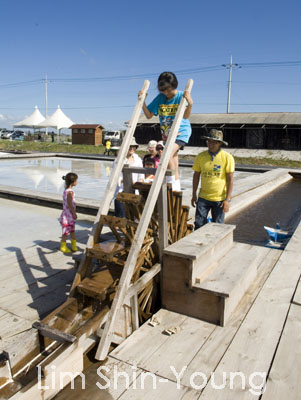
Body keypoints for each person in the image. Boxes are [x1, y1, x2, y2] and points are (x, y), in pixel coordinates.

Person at [139, 71, 193, 191]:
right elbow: (148, 115)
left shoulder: (180, 96)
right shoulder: (160, 98)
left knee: (166, 154)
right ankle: (176, 186)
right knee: (173, 159)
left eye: (168, 90)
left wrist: (190, 104)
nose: (166, 93)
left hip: (180, 132)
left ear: (174, 86)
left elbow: (185, 116)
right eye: (163, 90)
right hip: (167, 135)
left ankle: (171, 183)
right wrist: (142, 101)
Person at [191, 129, 235, 230]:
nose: (210, 144)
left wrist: (227, 200)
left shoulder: (227, 157)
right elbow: (196, 176)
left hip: (219, 200)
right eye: (209, 141)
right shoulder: (201, 157)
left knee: (218, 227)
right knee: (198, 224)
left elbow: (230, 180)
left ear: (219, 143)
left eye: (214, 142)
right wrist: (194, 194)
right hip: (203, 198)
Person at [114, 137, 144, 218]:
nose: (131, 148)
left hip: (135, 190)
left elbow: (141, 174)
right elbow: (115, 176)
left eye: (133, 146)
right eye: (129, 146)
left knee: (133, 215)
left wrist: (140, 181)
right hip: (122, 191)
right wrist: (127, 181)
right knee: (121, 216)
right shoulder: (119, 160)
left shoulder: (138, 159)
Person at [59, 172, 78, 253]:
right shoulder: (70, 192)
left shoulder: (66, 190)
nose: (77, 182)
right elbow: (70, 203)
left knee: (71, 230)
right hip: (68, 215)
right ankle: (63, 246)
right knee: (66, 232)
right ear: (73, 182)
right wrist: (74, 213)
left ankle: (73, 245)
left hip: (66, 214)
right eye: (76, 180)